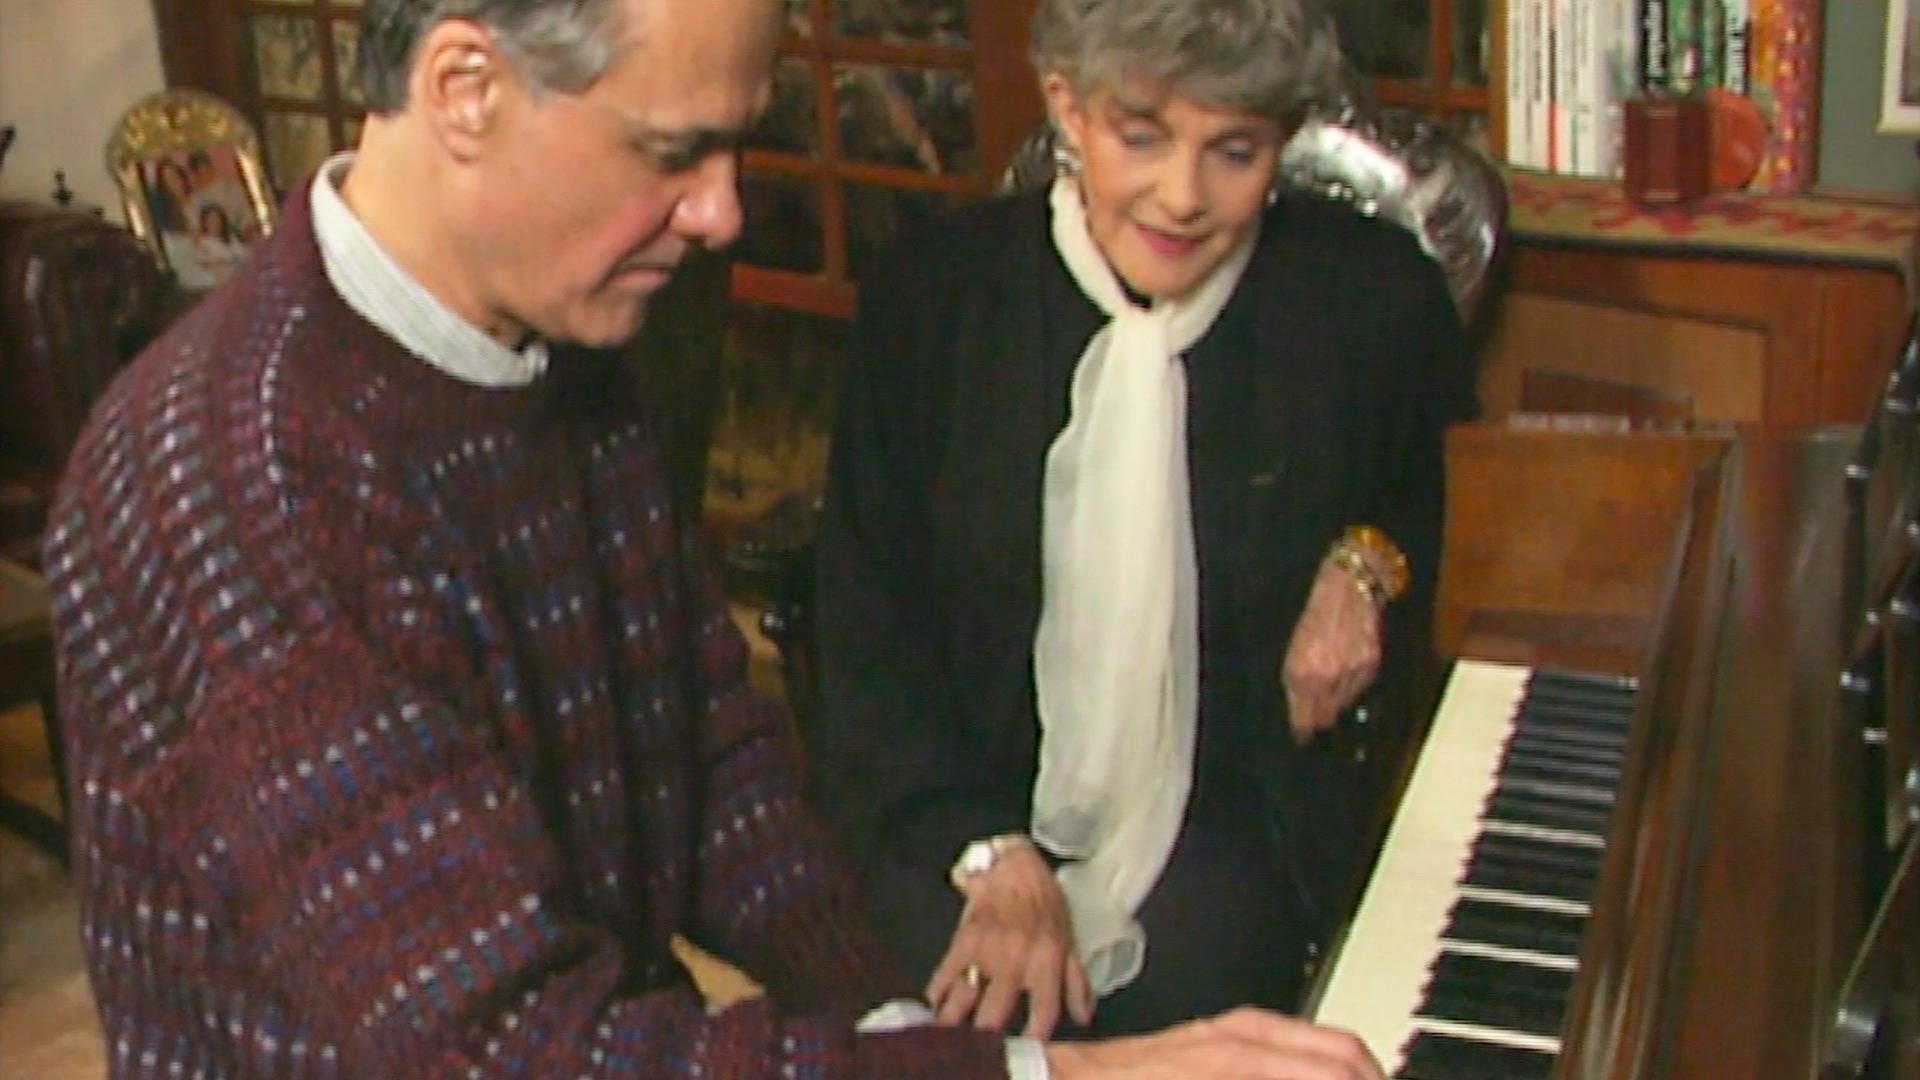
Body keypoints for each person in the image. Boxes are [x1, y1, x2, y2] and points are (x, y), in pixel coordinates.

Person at [43, 1, 1384, 1079]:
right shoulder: (242, 472)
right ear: (465, 87)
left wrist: (891, 1023)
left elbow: (707, 747)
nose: (724, 214)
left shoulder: (562, 344)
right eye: (675, 152)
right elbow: (498, 1047)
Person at [809, 0, 1472, 1042]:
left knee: (1191, 1014)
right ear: (1067, 106)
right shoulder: (932, 300)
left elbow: (1427, 512)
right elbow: (866, 630)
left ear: (1282, 138)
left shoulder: (1372, 303)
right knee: (931, 1022)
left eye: (1235, 150)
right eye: (1143, 135)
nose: (1183, 196)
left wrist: (1362, 568)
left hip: (1231, 814)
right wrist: (988, 850)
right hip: (952, 801)